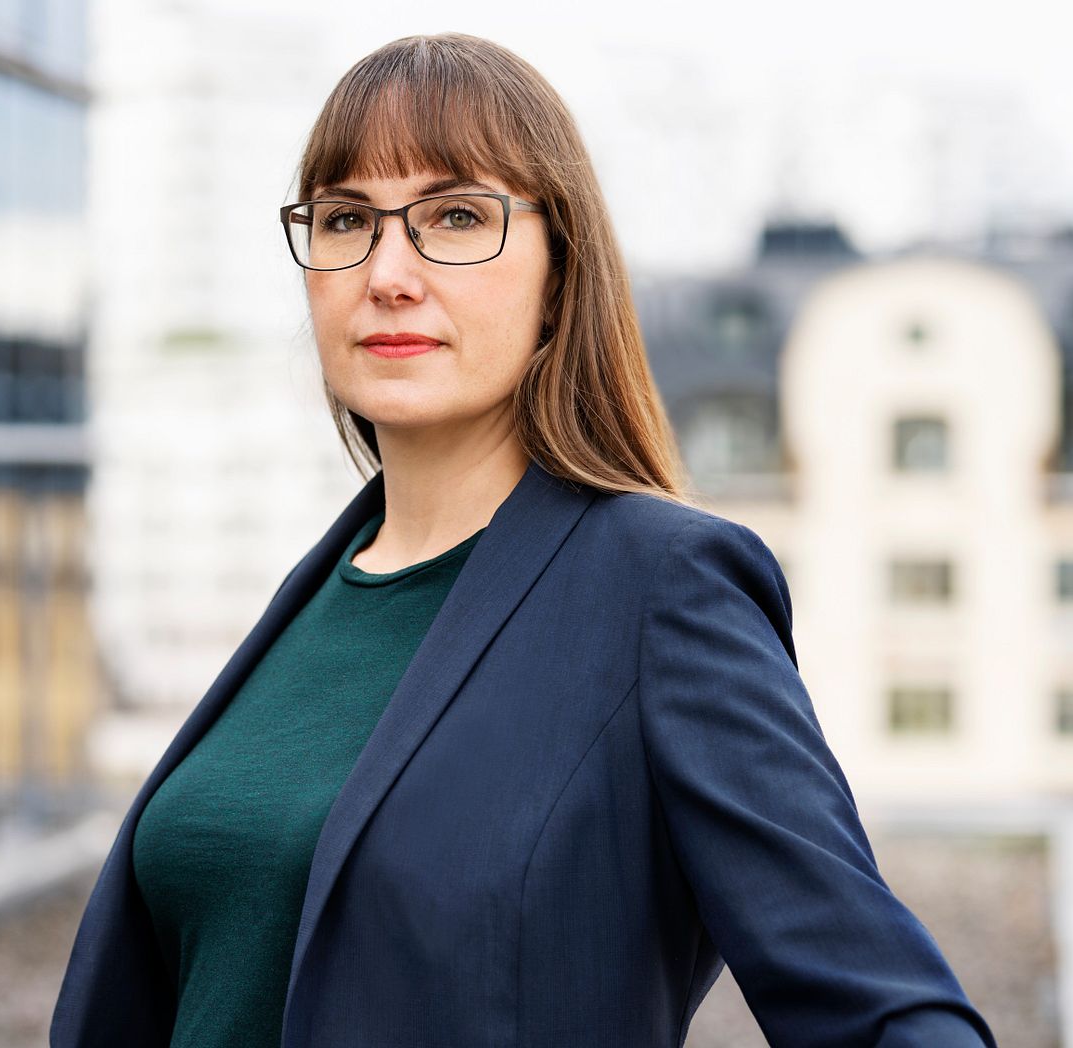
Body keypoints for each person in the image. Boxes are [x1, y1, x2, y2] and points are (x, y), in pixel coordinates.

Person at [51, 31, 996, 1048]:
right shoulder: (313, 599)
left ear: (560, 274)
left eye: (457, 216)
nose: (389, 273)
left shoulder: (661, 588)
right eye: (346, 219)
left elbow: (881, 1004)